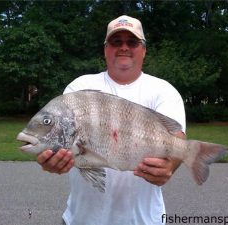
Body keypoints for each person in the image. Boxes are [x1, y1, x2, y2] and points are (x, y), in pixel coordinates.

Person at [37, 15, 186, 225]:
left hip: (143, 220)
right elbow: (70, 148)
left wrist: (170, 165)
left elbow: (177, 140)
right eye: (116, 42)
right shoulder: (80, 87)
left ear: (143, 49)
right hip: (81, 220)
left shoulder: (163, 91)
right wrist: (53, 162)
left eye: (132, 42)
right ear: (105, 49)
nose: (124, 47)